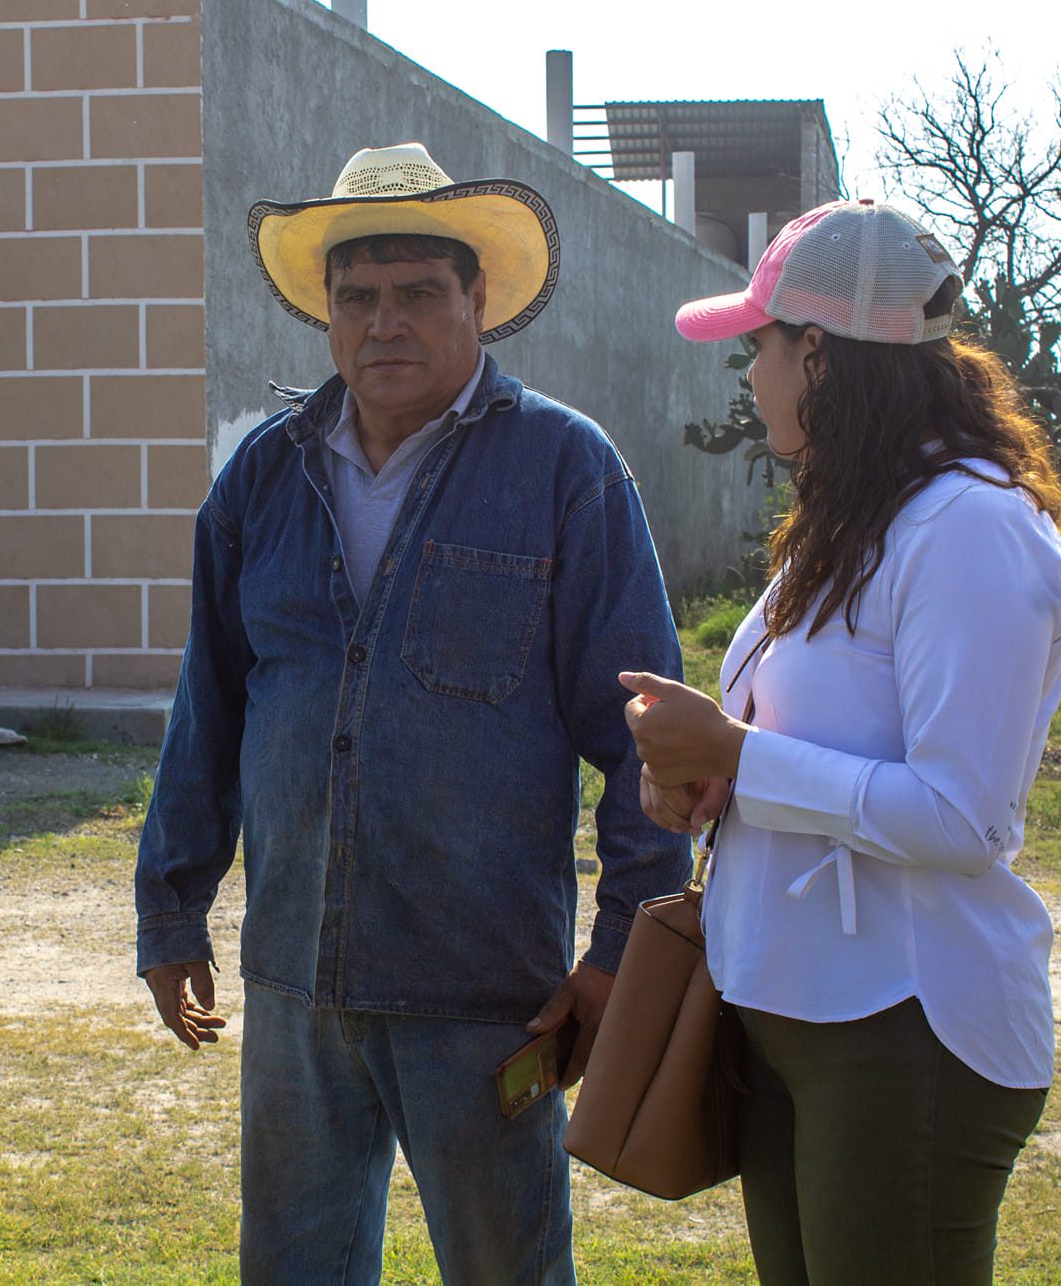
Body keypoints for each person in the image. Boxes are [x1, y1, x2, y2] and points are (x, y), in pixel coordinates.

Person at [133, 143, 688, 1285]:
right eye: (358, 297)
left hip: (486, 995)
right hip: (295, 980)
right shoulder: (260, 478)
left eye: (418, 294)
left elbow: (648, 735)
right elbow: (212, 708)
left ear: (476, 301)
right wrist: (172, 905)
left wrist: (619, 952)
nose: (384, 323)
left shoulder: (563, 470)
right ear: (327, 313)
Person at [619, 199, 1061, 1285]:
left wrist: (734, 757)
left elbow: (964, 817)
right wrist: (700, 783)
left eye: (758, 346)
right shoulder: (860, 518)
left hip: (903, 1027)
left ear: (817, 356)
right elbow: (809, 751)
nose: (748, 374)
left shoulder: (968, 527)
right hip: (793, 1004)